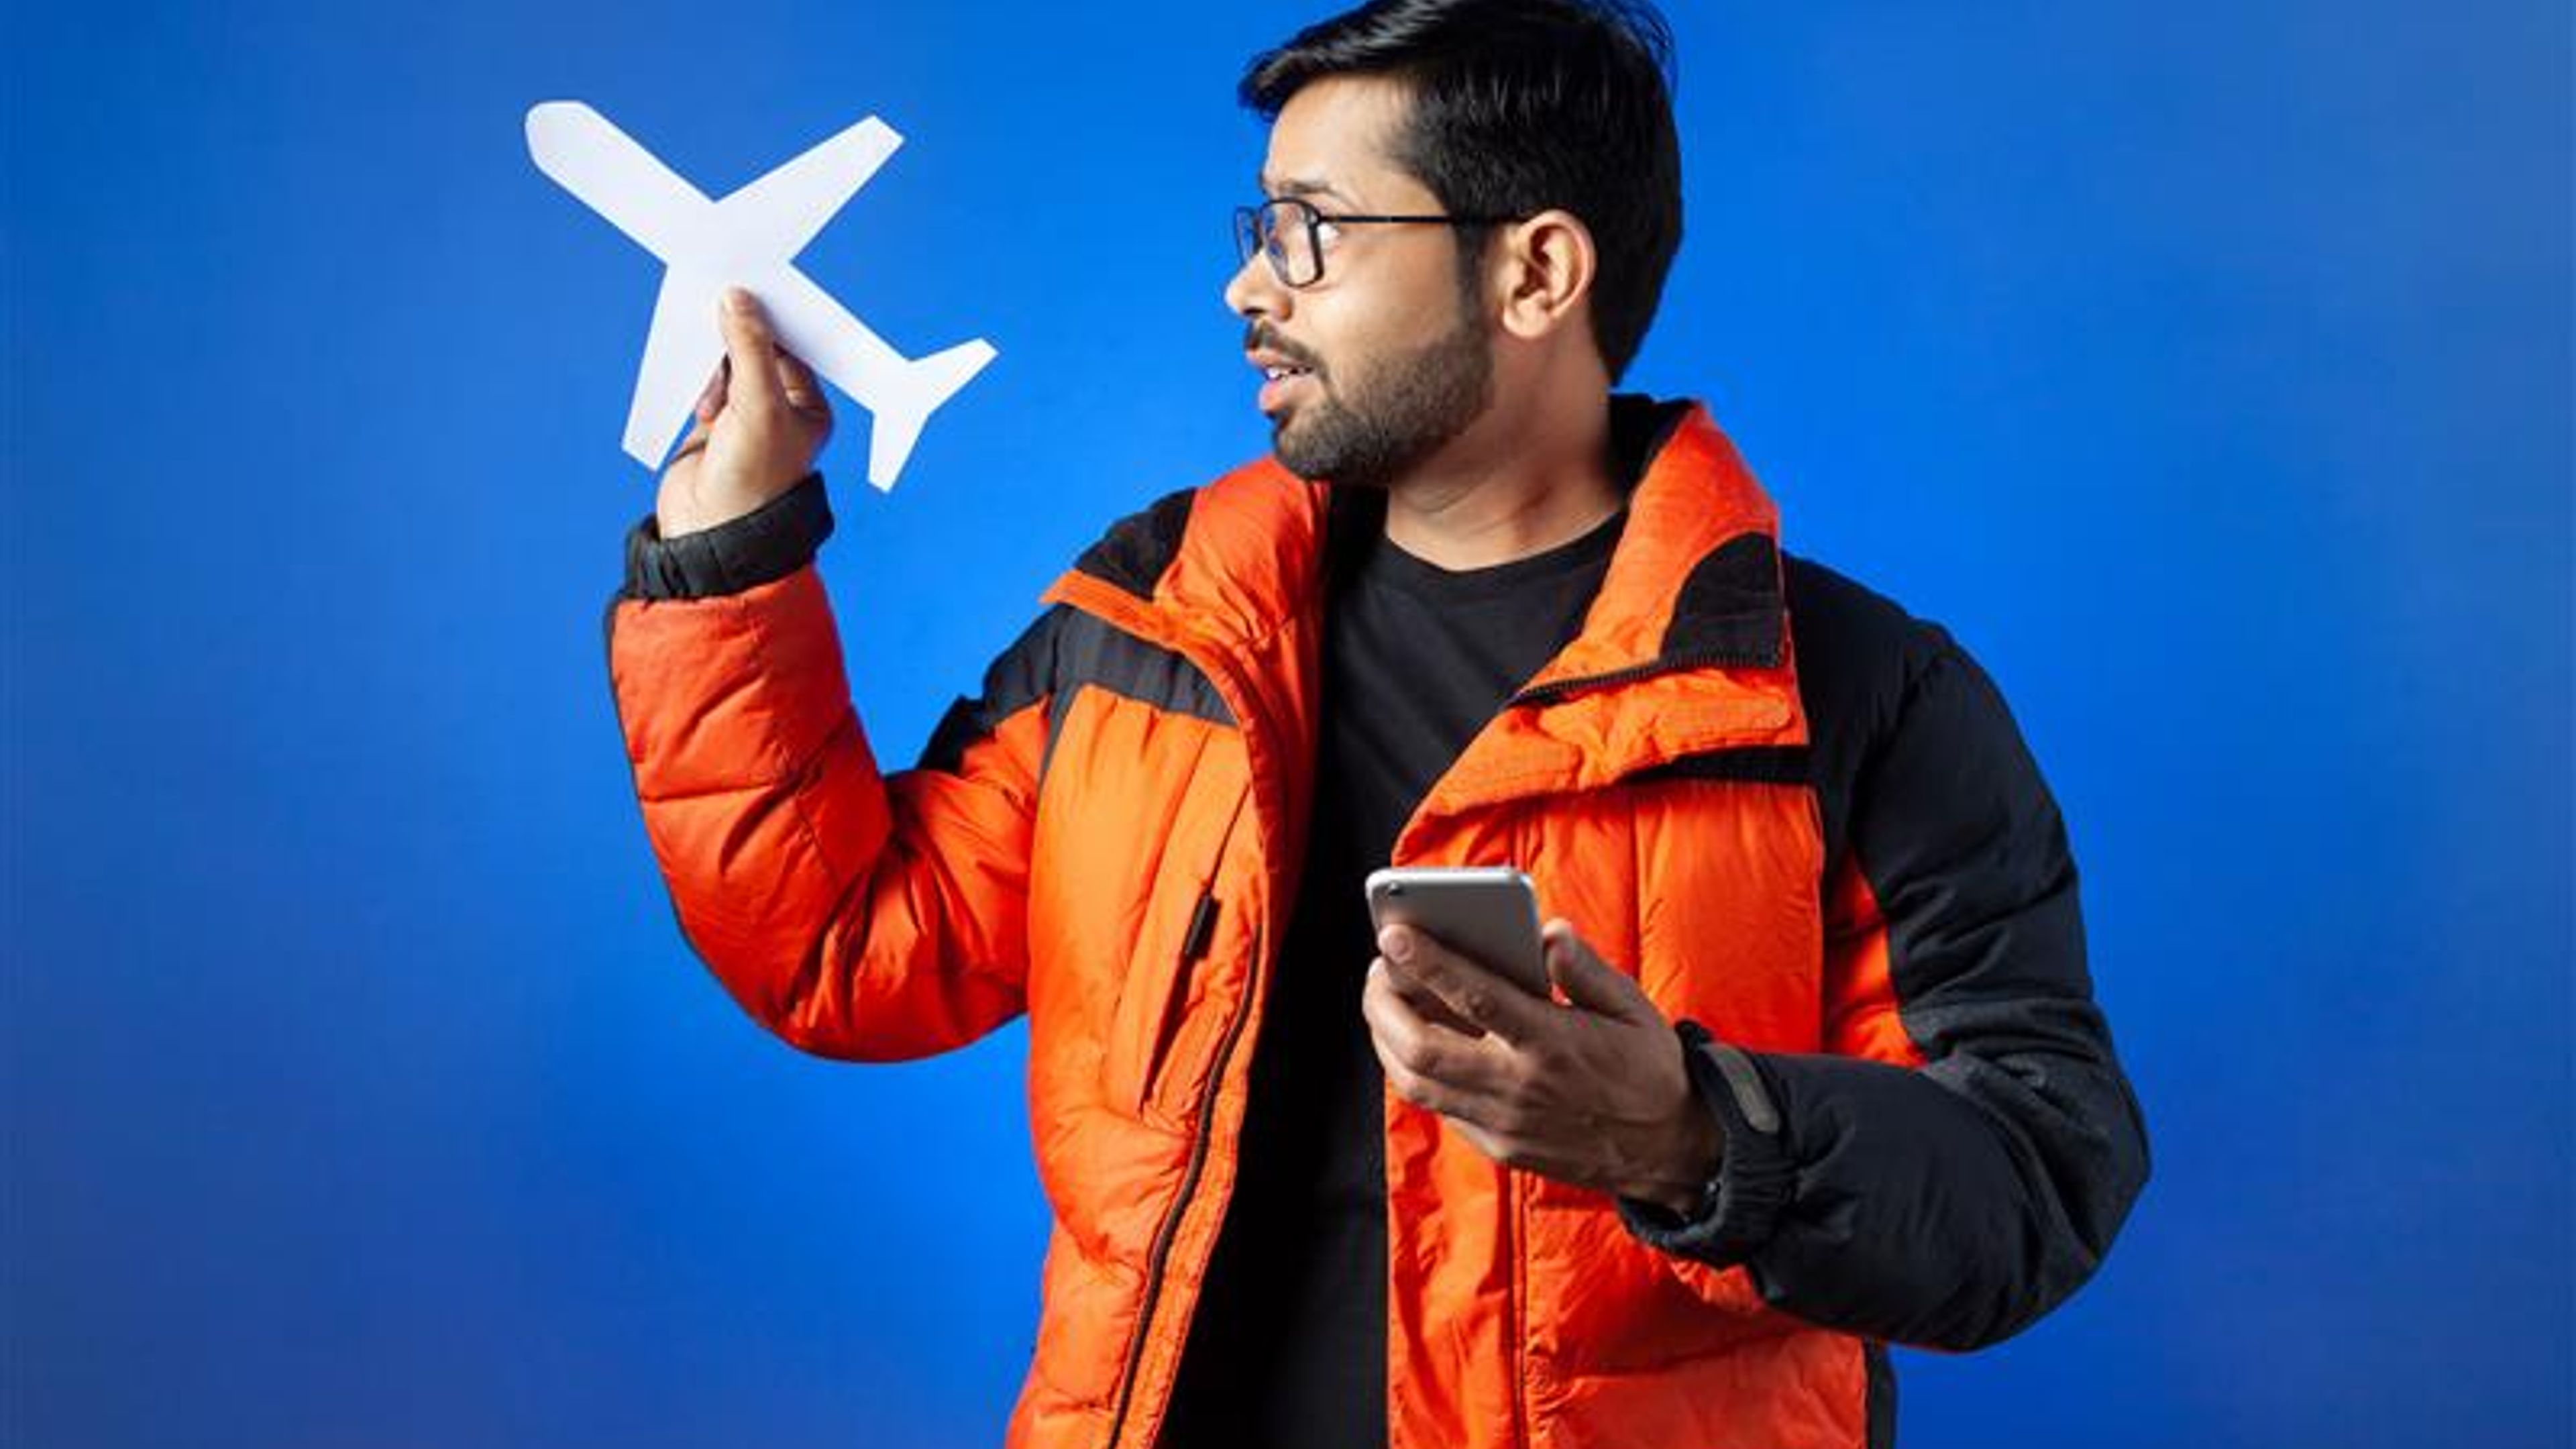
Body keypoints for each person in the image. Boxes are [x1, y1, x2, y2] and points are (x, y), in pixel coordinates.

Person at [604, 1, 2150, 1445]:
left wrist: (1690, 1138)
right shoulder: (1156, 626)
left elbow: (2038, 1180)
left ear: (1535, 274)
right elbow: (847, 950)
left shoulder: (1849, 697)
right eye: (1260, 226)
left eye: (1314, 234)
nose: (1250, 286)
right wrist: (726, 554)